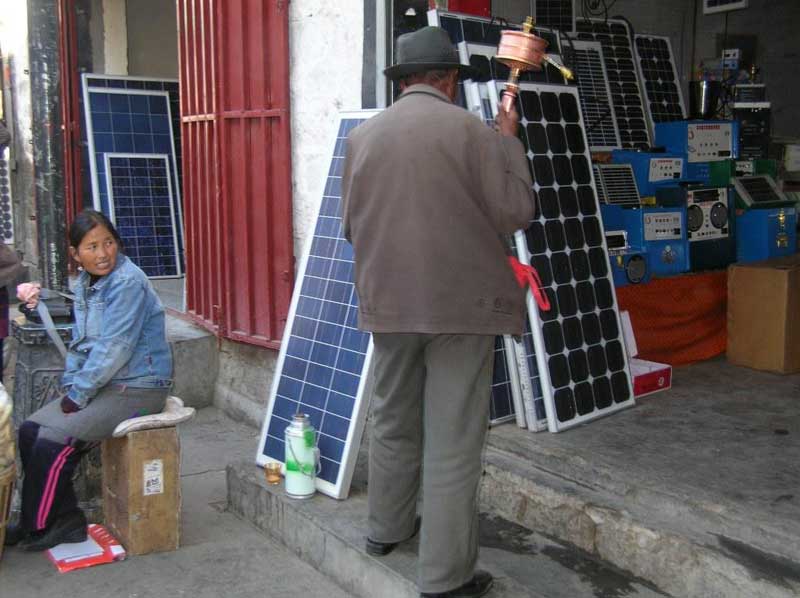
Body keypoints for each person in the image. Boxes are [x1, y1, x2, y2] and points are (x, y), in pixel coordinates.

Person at [341, 26, 535, 598]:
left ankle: (386, 529)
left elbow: (352, 228)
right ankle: (445, 577)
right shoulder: (474, 134)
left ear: (403, 80)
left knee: (394, 417)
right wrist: (509, 145)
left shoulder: (363, 137)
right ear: (449, 79)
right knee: (452, 441)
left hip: (388, 304)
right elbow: (515, 212)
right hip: (462, 310)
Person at [5, 209, 173, 551]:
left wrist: (79, 394)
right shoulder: (85, 283)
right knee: (29, 430)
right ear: (75, 253)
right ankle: (56, 518)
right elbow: (82, 344)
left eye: (108, 243)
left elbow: (115, 348)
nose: (102, 254)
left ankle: (42, 526)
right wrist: (72, 385)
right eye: (92, 246)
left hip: (138, 387)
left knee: (56, 440)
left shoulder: (128, 282)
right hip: (106, 385)